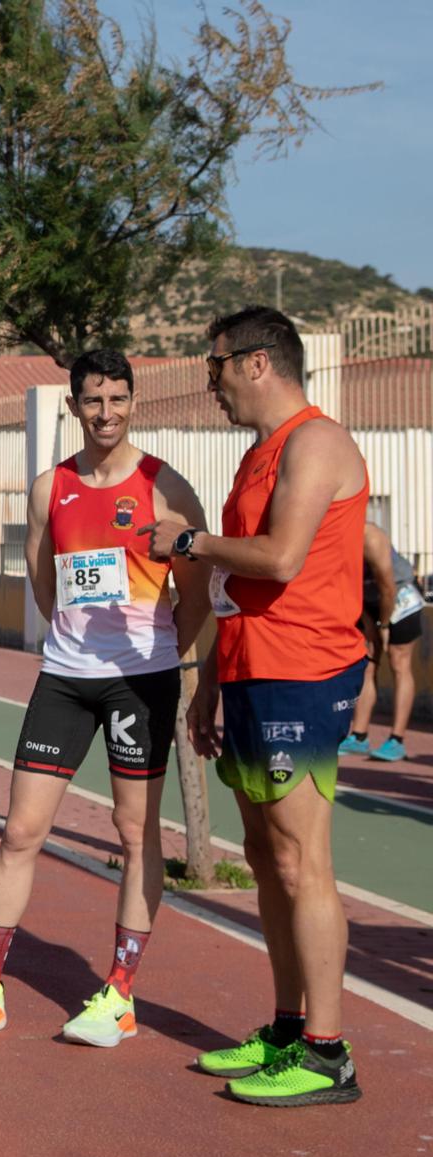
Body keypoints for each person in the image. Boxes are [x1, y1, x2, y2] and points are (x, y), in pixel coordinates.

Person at [0, 350, 211, 1046]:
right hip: (65, 675)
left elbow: (198, 595)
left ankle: (119, 993)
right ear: (73, 406)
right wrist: (74, 639)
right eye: (92, 401)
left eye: (117, 399)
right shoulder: (50, 484)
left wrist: (162, 650)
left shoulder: (166, 484)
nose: (105, 412)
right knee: (21, 830)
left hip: (141, 678)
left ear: (133, 401)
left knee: (133, 831)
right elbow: (41, 570)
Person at [142, 306, 371, 1106]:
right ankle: (285, 1028)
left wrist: (189, 541)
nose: (210, 385)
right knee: (268, 858)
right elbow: (239, 592)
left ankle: (329, 1048)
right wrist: (207, 681)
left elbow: (278, 558)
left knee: (304, 860)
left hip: (302, 674)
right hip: (247, 670)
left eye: (215, 369)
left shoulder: (317, 442)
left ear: (258, 362)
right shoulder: (260, 454)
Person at [341, 520, 422, 762]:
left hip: (399, 597)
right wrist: (368, 624)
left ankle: (396, 740)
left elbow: (388, 588)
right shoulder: (332, 533)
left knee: (399, 662)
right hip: (368, 601)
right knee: (367, 664)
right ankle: (359, 736)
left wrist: (384, 625)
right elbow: (348, 585)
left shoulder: (370, 536)